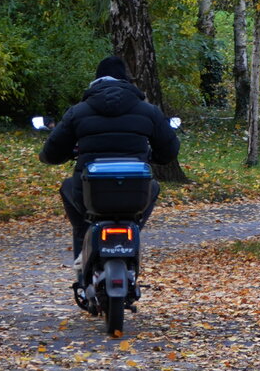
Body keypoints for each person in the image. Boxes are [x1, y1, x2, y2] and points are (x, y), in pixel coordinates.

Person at [40, 56, 180, 260]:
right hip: (134, 194)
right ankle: (133, 230)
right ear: (125, 80)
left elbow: (52, 152)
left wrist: (52, 156)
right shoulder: (149, 111)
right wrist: (154, 156)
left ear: (96, 81)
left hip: (90, 193)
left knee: (69, 187)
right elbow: (169, 151)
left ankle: (82, 250)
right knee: (154, 187)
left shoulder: (78, 112)